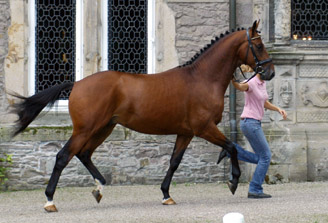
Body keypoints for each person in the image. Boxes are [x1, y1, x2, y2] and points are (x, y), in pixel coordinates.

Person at [218, 65, 287, 199]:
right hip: (250, 122)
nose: (269, 74)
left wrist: (278, 109)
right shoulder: (251, 82)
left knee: (263, 158)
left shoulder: (262, 83)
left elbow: (264, 102)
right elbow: (240, 87)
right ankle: (255, 188)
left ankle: (231, 150)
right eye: (268, 72)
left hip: (253, 123)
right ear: (261, 71)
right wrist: (233, 80)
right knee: (266, 156)